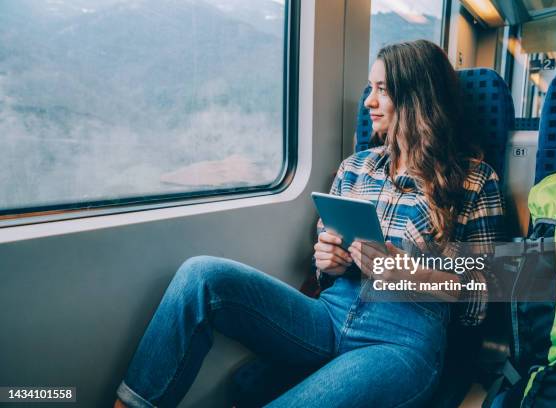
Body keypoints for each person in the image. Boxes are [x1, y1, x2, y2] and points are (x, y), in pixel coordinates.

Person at [114, 40, 505, 408]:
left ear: (417, 98)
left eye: (382, 90)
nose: (368, 101)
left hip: (400, 342)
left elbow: (477, 300)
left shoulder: (474, 180)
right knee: (201, 275)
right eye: (370, 88)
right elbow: (327, 266)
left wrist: (399, 270)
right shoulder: (356, 168)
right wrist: (327, 262)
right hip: (327, 316)